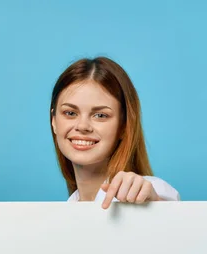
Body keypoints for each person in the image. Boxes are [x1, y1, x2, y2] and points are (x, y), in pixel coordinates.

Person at [49, 57, 179, 209]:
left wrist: (154, 203)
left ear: (124, 127)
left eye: (100, 115)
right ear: (54, 121)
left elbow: (172, 219)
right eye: (70, 113)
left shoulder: (150, 190)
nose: (83, 126)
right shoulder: (67, 210)